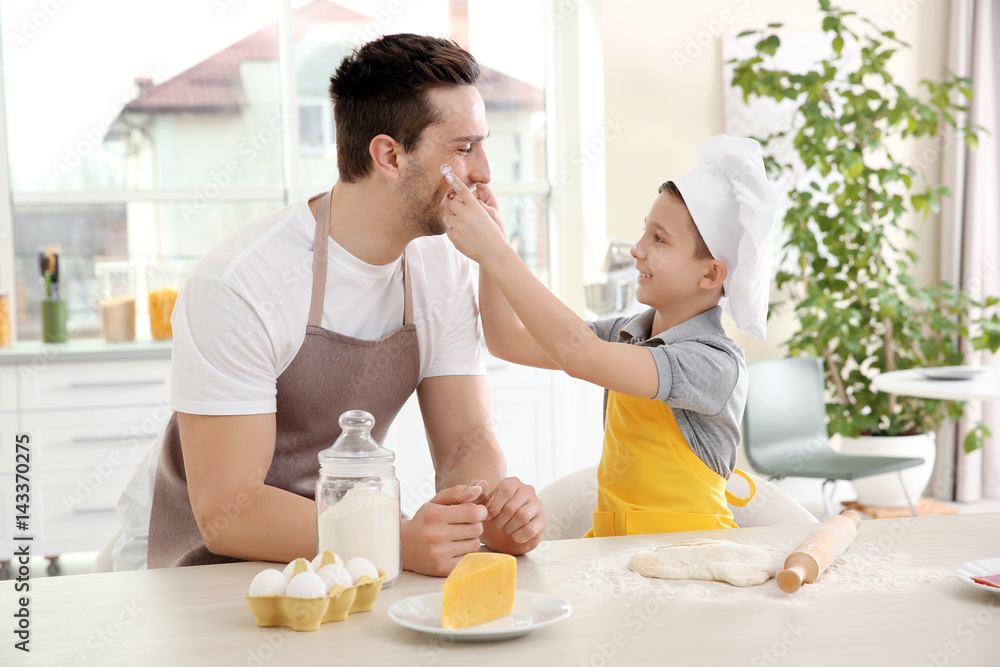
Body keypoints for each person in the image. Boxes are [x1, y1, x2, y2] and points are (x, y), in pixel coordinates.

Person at [112, 34, 544, 575]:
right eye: (463, 148)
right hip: (209, 563)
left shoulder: (445, 268)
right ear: (389, 155)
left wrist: (488, 509)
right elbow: (229, 511)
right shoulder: (240, 282)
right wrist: (391, 542)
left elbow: (464, 446)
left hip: (350, 552)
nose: (483, 172)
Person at [443, 134, 778, 537]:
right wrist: (491, 253)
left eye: (659, 239)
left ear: (710, 274)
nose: (636, 249)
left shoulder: (714, 362)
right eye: (644, 233)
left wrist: (499, 253)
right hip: (614, 552)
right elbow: (507, 340)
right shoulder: (625, 334)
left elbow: (581, 356)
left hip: (691, 558)